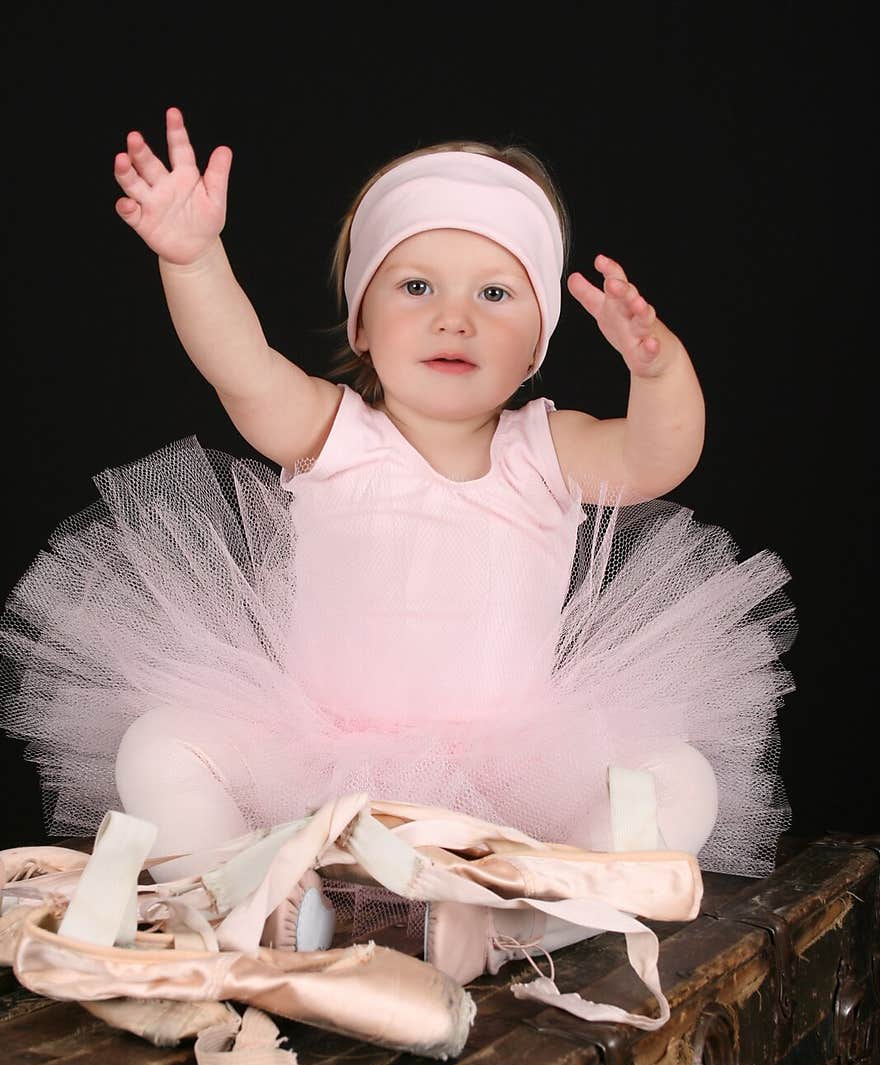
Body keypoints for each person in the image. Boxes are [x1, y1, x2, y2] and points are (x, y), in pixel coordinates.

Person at [0, 109, 795, 947]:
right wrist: (194, 258)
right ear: (360, 324)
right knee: (159, 747)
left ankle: (502, 929)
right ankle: (271, 908)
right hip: (313, 764)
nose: (456, 318)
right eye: (416, 287)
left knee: (678, 783)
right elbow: (236, 363)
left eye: (495, 294)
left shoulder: (547, 449)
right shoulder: (330, 433)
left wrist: (660, 370)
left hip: (515, 775)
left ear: (537, 347)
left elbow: (657, 458)